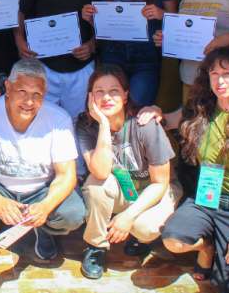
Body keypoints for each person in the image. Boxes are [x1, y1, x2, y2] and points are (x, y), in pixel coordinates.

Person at [146, 47, 229, 293]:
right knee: (172, 239)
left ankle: (228, 247)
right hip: (205, 200)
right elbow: (165, 120)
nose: (220, 80)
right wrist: (154, 110)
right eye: (214, 73)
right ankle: (208, 248)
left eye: (227, 74)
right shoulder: (200, 110)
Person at [0, 59, 86, 262]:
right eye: (22, 92)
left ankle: (43, 228)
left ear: (45, 92)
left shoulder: (59, 118)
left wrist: (45, 206)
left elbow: (67, 175)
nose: (29, 101)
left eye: (37, 94)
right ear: (8, 88)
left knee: (73, 213)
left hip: (41, 189)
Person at [76, 65, 181, 280]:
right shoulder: (86, 125)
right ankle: (96, 245)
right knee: (95, 186)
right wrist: (103, 125)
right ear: (90, 96)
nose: (106, 97)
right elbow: (101, 172)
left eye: (114, 91)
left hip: (154, 189)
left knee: (144, 228)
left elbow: (160, 183)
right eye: (99, 91)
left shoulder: (145, 123)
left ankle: (140, 237)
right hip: (122, 187)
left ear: (125, 95)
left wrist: (128, 216)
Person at [15, 0, 102, 139]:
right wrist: (20, 40)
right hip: (43, 66)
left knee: (80, 126)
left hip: (81, 69)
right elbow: (21, 11)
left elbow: (104, 26)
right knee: (37, 123)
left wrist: (92, 45)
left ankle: (78, 163)